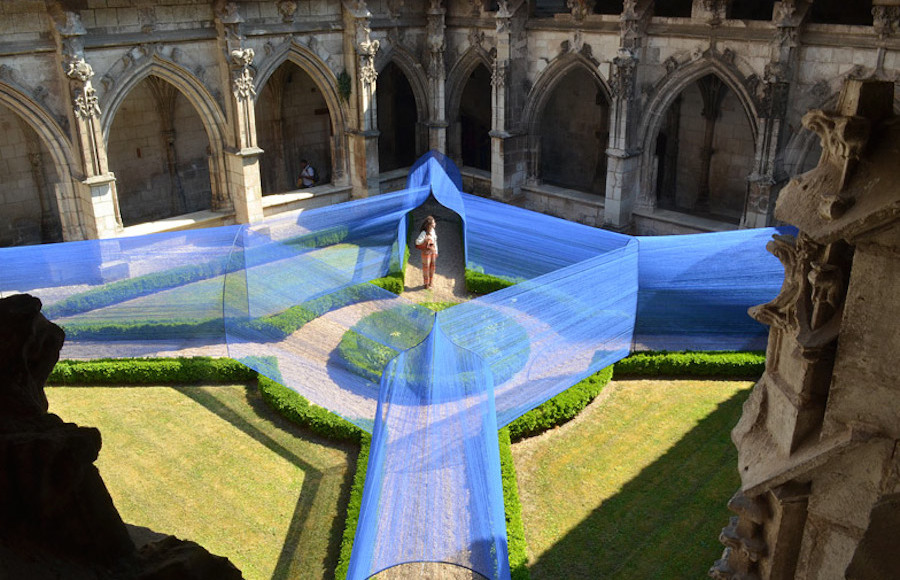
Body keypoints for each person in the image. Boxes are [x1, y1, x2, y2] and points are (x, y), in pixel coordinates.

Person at [415, 215, 438, 289]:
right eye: (434, 222)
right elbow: (417, 242)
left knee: (432, 267)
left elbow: (435, 241)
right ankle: (426, 284)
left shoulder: (433, 231)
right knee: (426, 268)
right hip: (426, 253)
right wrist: (425, 240)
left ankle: (431, 282)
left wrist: (436, 251)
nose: (435, 223)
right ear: (430, 225)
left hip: (433, 252)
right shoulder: (424, 233)